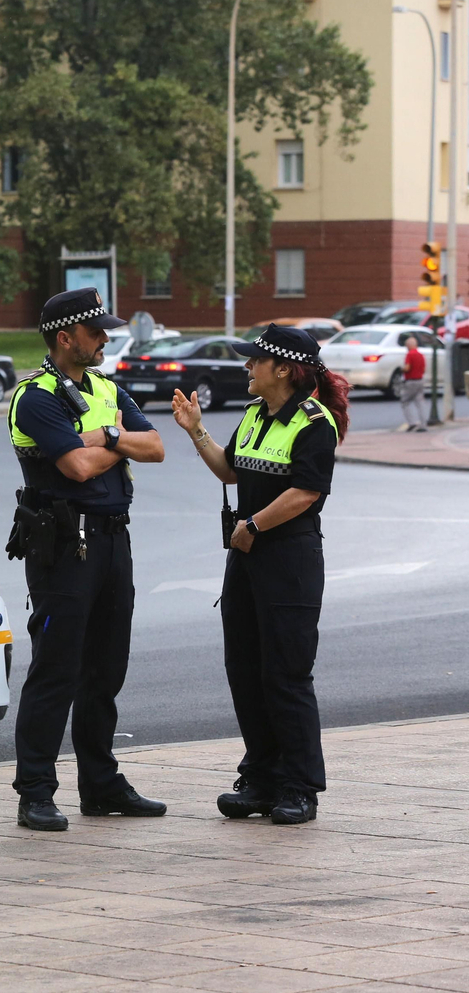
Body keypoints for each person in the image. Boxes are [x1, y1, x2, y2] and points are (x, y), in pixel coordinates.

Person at [171, 324, 349, 825]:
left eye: (255, 361)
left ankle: (299, 787)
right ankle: (262, 779)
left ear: (284, 370)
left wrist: (253, 524)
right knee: (245, 671)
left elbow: (308, 492)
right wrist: (195, 429)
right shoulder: (253, 415)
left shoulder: (315, 423)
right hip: (246, 559)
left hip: (288, 561)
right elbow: (230, 469)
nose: (247, 368)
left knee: (286, 676)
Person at [5, 288, 167, 832]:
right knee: (56, 670)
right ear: (64, 338)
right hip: (63, 546)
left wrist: (108, 433)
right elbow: (74, 468)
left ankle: (100, 785)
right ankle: (35, 791)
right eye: (96, 332)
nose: (105, 339)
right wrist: (115, 443)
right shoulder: (35, 397)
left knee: (105, 671)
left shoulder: (106, 388)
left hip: (113, 541)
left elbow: (156, 446)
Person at [400, 334, 428, 432]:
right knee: (420, 403)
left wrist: (402, 369)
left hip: (411, 381)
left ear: (409, 345)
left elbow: (407, 367)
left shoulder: (410, 354)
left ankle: (411, 422)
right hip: (420, 380)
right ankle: (423, 424)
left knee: (404, 401)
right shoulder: (421, 355)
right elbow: (424, 368)